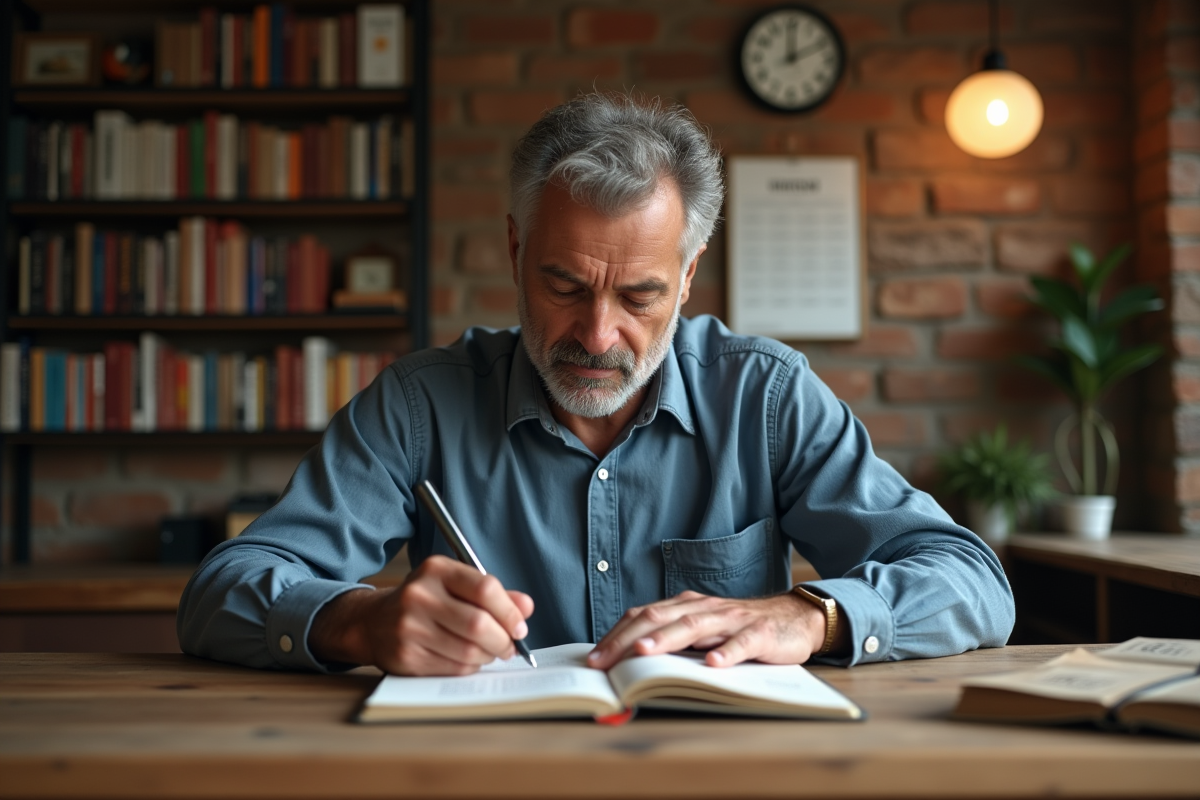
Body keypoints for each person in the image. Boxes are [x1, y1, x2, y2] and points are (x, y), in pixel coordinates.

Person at [178, 93, 1014, 676]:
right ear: (514, 252)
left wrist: (812, 616)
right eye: (565, 286)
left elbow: (971, 580)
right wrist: (357, 622)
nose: (597, 335)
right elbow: (220, 592)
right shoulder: (418, 405)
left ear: (687, 278)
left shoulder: (765, 397)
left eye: (640, 295)